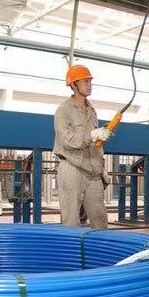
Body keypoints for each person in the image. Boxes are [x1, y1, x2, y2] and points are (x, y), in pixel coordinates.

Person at [53, 64, 112, 229]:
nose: (89, 85)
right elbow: (67, 140)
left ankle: (101, 246)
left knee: (100, 218)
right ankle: (72, 246)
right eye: (85, 81)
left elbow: (96, 145)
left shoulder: (92, 111)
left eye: (90, 81)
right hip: (72, 168)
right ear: (73, 84)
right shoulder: (64, 110)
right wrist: (91, 135)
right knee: (71, 220)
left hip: (92, 171)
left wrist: (102, 168)